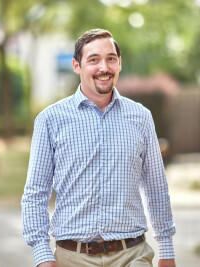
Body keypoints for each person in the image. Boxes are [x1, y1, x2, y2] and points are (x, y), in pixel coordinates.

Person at [22, 28, 176, 267]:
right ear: (77, 66)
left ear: (119, 64)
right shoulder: (50, 120)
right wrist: (42, 255)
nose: (104, 67)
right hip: (72, 258)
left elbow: (156, 186)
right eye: (93, 60)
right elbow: (35, 195)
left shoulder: (141, 117)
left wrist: (166, 248)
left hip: (132, 256)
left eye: (110, 59)